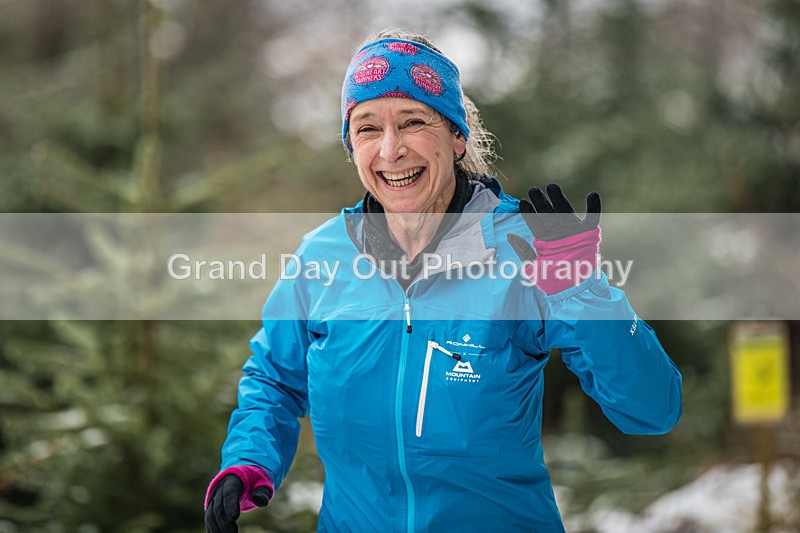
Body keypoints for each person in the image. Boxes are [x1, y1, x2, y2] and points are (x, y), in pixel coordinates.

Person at [204, 29, 682, 533]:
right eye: (367, 128)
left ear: (457, 137)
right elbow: (274, 379)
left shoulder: (527, 249)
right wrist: (248, 459)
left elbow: (653, 409)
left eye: (413, 122)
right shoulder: (322, 258)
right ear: (351, 145)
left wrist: (581, 289)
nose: (391, 150)